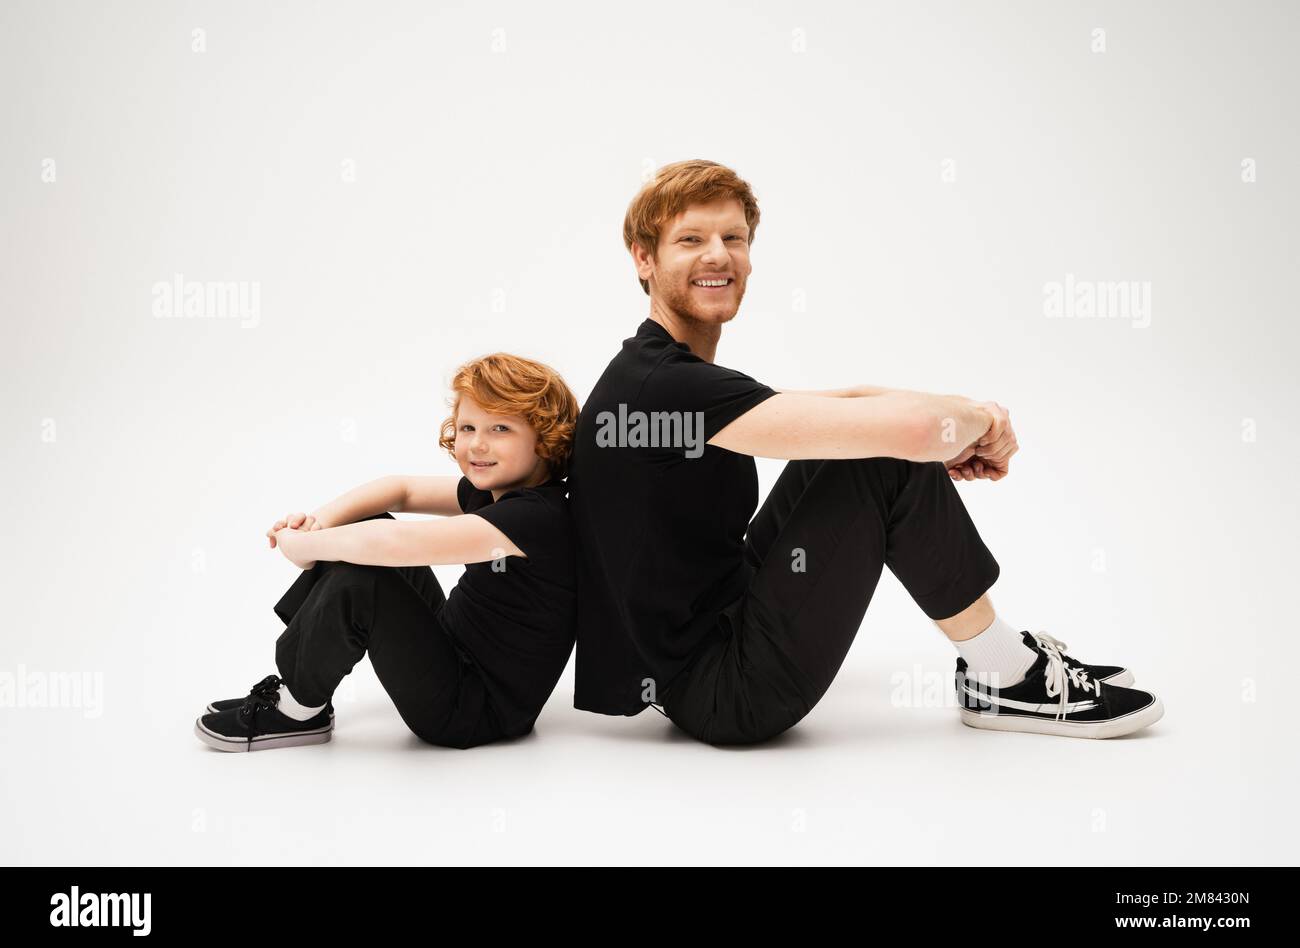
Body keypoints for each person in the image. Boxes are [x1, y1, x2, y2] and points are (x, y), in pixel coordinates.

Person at [567, 159, 1163, 745]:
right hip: (725, 692)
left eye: (734, 238)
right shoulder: (666, 386)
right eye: (690, 239)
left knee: (851, 442)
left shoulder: (658, 373)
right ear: (645, 260)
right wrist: (976, 422)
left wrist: (953, 417)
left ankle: (1001, 665)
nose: (719, 255)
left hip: (716, 626)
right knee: (881, 457)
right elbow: (907, 433)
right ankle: (1004, 675)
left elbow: (839, 404)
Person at [194, 353, 579, 752]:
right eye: (468, 427)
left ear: (547, 438)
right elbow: (402, 490)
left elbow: (396, 546)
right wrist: (317, 523)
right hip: (455, 647)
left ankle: (297, 709)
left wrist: (305, 547)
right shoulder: (499, 492)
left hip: (473, 710)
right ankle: (303, 687)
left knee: (366, 579)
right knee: (365, 526)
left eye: (500, 428)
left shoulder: (536, 518)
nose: (478, 444)